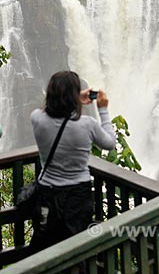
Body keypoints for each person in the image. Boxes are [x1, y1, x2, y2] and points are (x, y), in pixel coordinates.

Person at [30, 71, 116, 254]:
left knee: (47, 242)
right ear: (74, 96)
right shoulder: (87, 125)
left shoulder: (37, 119)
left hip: (47, 192)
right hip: (78, 194)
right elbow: (110, 143)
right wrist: (103, 109)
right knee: (77, 243)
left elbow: (49, 110)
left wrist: (72, 98)